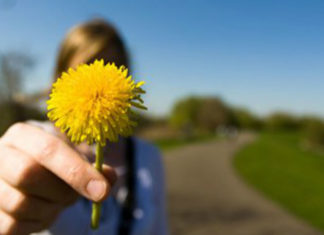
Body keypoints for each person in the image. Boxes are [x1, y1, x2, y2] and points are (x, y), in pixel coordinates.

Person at [0, 19, 168, 235]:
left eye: (115, 66)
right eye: (87, 66)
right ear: (61, 78)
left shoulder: (148, 157)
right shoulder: (36, 141)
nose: (102, 75)